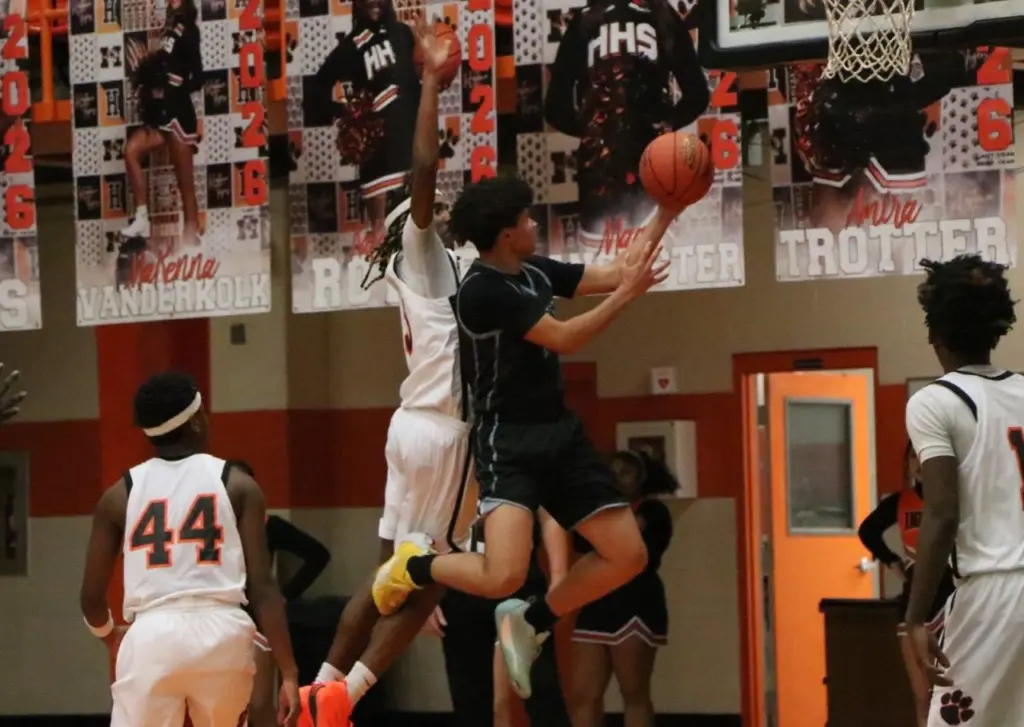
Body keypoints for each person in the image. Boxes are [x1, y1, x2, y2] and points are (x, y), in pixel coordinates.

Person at [371, 174, 678, 699]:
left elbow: (619, 270)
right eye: (526, 219)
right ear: (505, 233)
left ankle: (533, 620)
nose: (534, 223)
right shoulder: (481, 291)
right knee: (503, 576)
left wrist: (668, 210)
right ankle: (415, 565)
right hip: (507, 440)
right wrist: (627, 296)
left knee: (628, 554)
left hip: (560, 433)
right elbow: (564, 337)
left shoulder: (534, 270)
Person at [299, 18, 477, 723]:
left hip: (408, 428)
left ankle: (320, 686)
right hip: (441, 430)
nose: (448, 212)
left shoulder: (437, 269)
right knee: (429, 580)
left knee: (389, 572)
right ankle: (347, 695)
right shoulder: (424, 253)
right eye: (437, 211)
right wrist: (429, 83)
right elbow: (425, 168)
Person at [77, 371, 304, 727]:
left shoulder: (118, 495)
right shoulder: (239, 485)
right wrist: (289, 673)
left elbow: (91, 598)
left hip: (151, 634)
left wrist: (109, 635)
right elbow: (263, 588)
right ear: (197, 421)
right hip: (222, 633)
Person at [904, 254, 1024, 727]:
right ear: (997, 329)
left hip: (995, 588)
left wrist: (915, 617)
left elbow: (942, 512)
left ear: (934, 333)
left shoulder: (934, 402)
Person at [544, 0, 708, 242]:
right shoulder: (658, 15)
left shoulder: (589, 20)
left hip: (631, 173)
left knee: (628, 256)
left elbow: (555, 108)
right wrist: (663, 125)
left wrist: (593, 131)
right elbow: (697, 96)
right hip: (623, 174)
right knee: (636, 255)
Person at [427, 509, 572, 727]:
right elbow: (424, 520)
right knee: (471, 701)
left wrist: (560, 578)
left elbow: (549, 513)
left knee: (542, 692)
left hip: (520, 581)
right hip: (459, 584)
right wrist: (425, 591)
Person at [569, 450, 675, 727]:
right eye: (611, 472)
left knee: (633, 692)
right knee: (582, 694)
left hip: (636, 602)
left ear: (641, 478)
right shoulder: (596, 509)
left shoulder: (653, 511)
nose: (617, 478)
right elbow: (580, 543)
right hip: (596, 601)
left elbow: (637, 553)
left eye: (626, 472)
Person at [856, 442, 955, 727]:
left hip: (954, 603)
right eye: (913, 455)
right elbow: (867, 530)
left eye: (925, 454)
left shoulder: (956, 500)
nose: (919, 461)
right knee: (924, 697)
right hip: (914, 608)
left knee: (952, 693)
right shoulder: (900, 503)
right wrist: (890, 560)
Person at [313, 0, 420, 234]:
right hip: (378, 156)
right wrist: (346, 114)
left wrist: (435, 80)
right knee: (381, 234)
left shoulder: (403, 33)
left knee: (419, 228)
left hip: (411, 142)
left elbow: (420, 80)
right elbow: (316, 91)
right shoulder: (351, 47)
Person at [121, 0, 203, 246]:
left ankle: (191, 241)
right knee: (131, 151)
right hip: (160, 115)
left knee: (185, 183)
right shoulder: (169, 26)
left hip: (179, 116)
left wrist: (178, 85)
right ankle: (142, 218)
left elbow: (198, 76)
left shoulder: (189, 28)